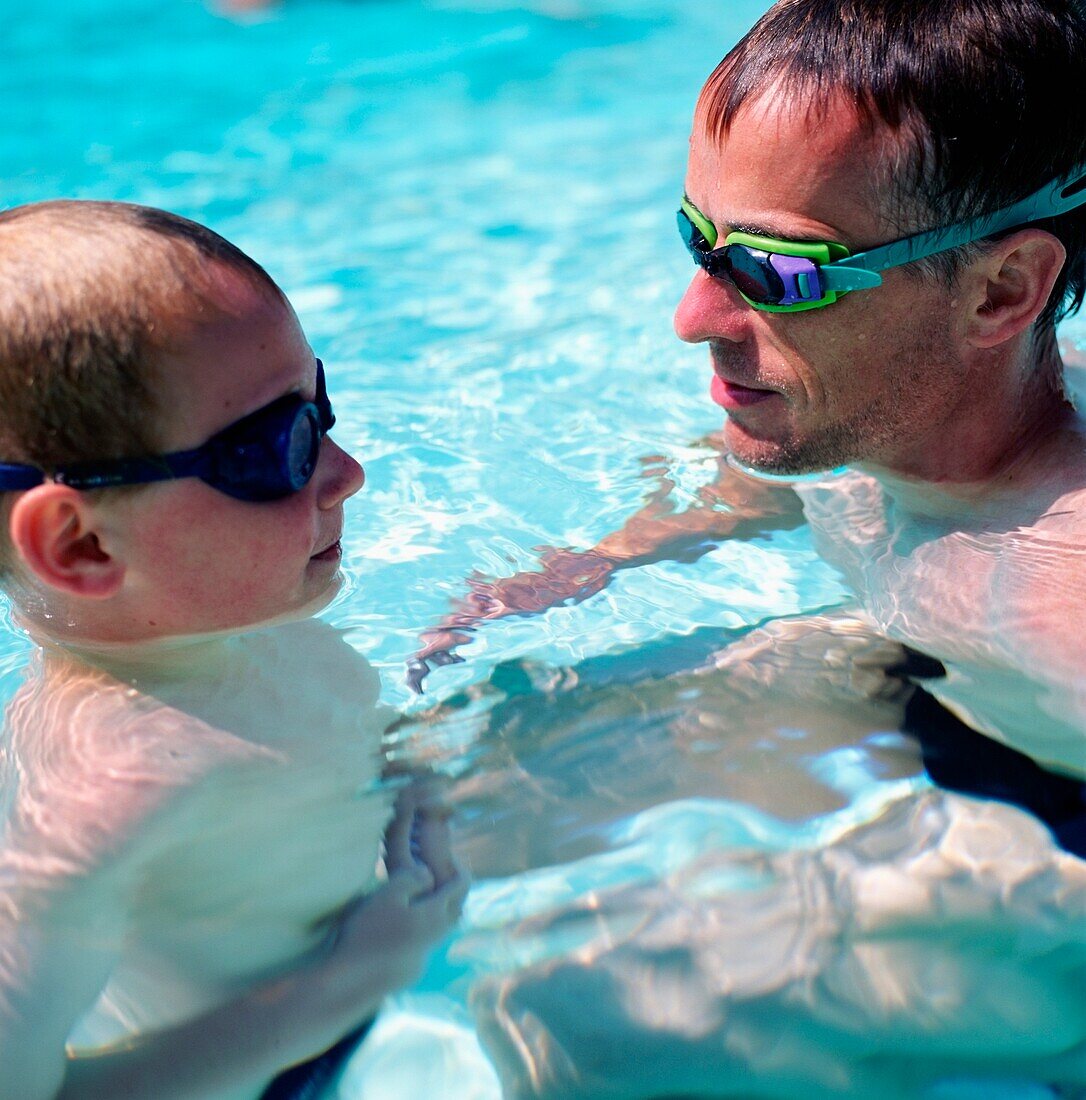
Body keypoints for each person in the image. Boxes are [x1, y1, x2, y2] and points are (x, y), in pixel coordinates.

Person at [411, 0, 1086, 791]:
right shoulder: (874, 423)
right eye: (699, 239)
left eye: (779, 272)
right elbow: (769, 483)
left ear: (999, 294)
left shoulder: (1055, 615)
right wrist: (595, 562)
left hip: (1039, 806)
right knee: (458, 769)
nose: (691, 318)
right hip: (926, 681)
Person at [0, 200, 468, 1100]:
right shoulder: (110, 797)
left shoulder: (225, 609)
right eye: (278, 448)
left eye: (318, 407)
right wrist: (346, 982)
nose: (346, 471)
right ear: (83, 547)